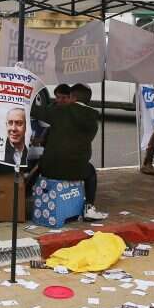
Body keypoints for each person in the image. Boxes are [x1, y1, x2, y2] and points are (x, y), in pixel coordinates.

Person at [30, 83, 108, 221]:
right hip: (77, 170)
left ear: (72, 97)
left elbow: (35, 111)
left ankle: (24, 193)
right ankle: (89, 207)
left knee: (41, 163)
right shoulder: (92, 120)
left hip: (49, 168)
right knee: (91, 173)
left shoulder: (60, 111)